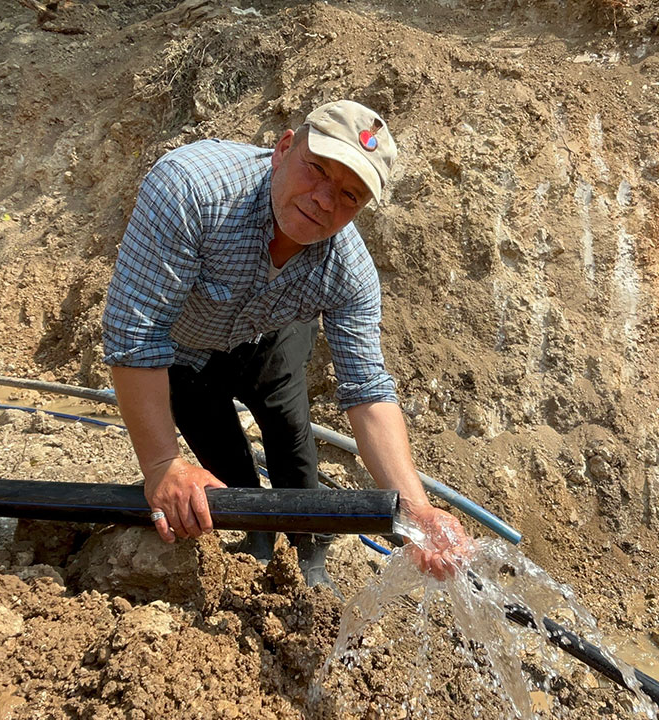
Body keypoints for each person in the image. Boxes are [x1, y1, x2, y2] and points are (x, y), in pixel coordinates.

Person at [101, 100, 471, 592]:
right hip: (183, 350)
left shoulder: (347, 270)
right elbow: (137, 334)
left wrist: (415, 508)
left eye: (348, 195)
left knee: (291, 439)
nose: (324, 200)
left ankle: (306, 552)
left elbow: (367, 389)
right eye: (317, 170)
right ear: (282, 149)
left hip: (269, 337)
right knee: (222, 460)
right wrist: (162, 464)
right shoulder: (190, 190)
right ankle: (254, 542)